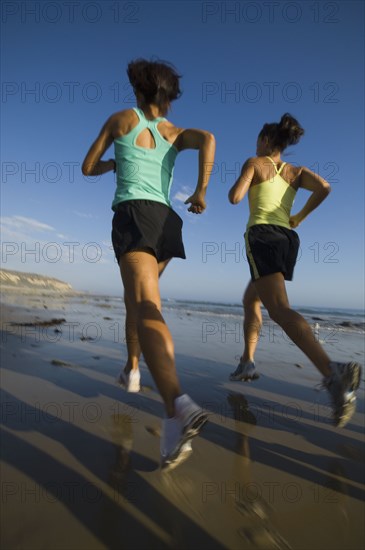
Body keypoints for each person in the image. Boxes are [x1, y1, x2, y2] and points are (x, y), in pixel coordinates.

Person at [82, 58, 215, 468]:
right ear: (168, 96)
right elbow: (208, 137)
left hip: (134, 214)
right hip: (166, 223)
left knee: (145, 304)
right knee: (136, 301)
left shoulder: (122, 118)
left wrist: (114, 164)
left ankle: (177, 405)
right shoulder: (175, 132)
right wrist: (201, 191)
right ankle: (133, 368)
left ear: (139, 90)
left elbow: (88, 167)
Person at [228, 113, 361, 428]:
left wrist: (246, 174)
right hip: (288, 239)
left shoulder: (255, 162)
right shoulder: (296, 171)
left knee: (279, 309)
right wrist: (298, 216)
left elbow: (234, 198)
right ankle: (247, 361)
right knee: (252, 299)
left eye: (257, 141)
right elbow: (325, 187)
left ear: (265, 141)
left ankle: (333, 372)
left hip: (261, 236)